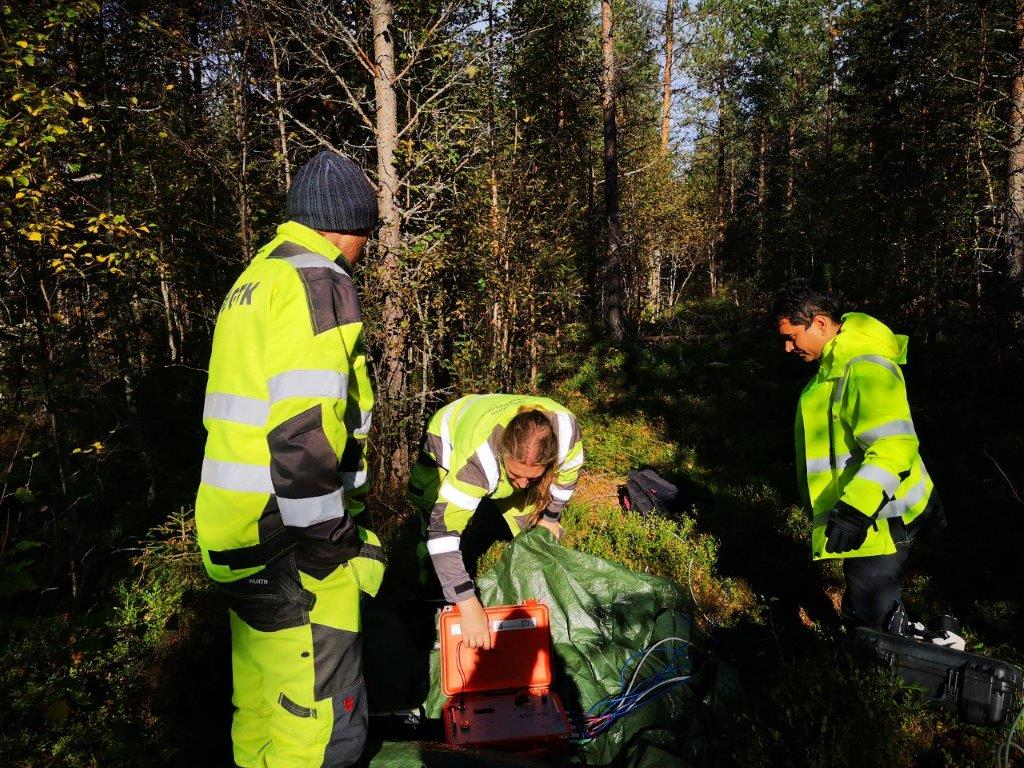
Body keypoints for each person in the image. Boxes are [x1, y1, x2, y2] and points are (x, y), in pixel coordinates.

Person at [195, 151, 385, 768]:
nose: (366, 251)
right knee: (320, 723)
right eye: (367, 236)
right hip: (289, 541)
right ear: (348, 226)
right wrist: (332, 543)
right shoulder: (319, 282)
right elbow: (305, 433)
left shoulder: (256, 278)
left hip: (231, 530)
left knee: (260, 704)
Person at [773, 284, 963, 648]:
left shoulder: (864, 367)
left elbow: (894, 444)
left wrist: (856, 510)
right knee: (869, 603)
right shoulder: (837, 363)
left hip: (881, 515)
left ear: (821, 323)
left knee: (873, 618)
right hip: (872, 512)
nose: (787, 347)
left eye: (792, 337)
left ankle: (907, 683)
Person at [407, 394, 584, 650]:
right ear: (503, 453)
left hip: (499, 448)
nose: (523, 485)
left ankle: (532, 600)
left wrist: (551, 516)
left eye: (532, 477)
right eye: (515, 475)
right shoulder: (477, 461)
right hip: (448, 434)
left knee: (532, 530)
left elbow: (568, 475)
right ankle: (433, 591)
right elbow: (442, 533)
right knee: (433, 512)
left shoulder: (566, 433)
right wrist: (467, 604)